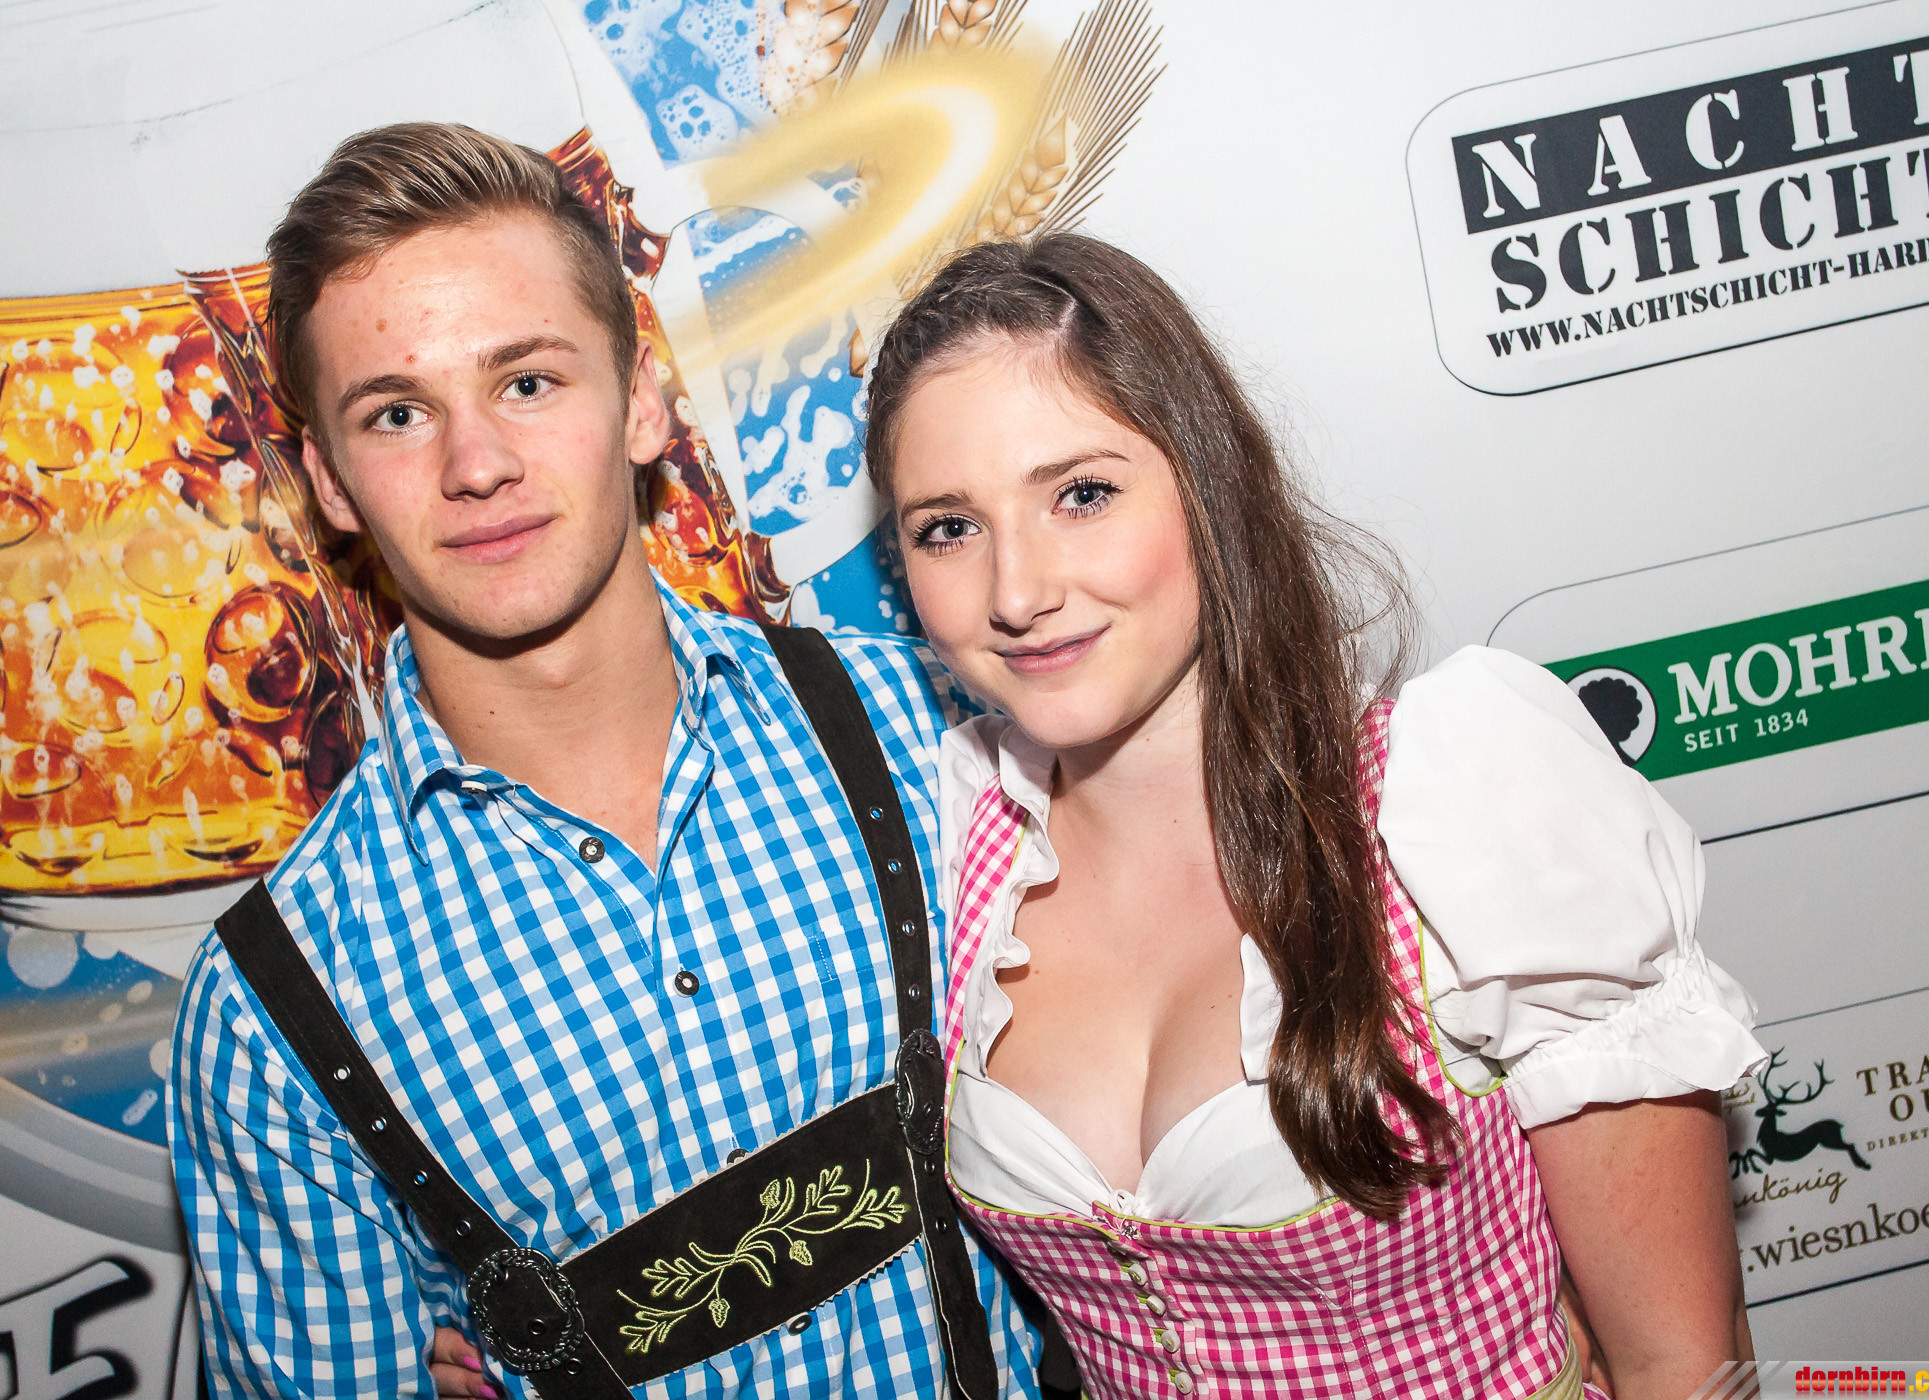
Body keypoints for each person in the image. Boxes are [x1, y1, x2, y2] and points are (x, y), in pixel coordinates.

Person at [166, 123, 1047, 1399]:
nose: (478, 465)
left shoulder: (930, 731)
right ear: (331, 485)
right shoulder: (273, 1013)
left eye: (528, 381)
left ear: (639, 399)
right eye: (399, 413)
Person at [860, 233, 1768, 1399]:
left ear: (1208, 485)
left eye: (1081, 494)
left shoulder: (1451, 802)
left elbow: (1681, 1361)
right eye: (949, 526)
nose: (1018, 590)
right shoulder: (952, 841)